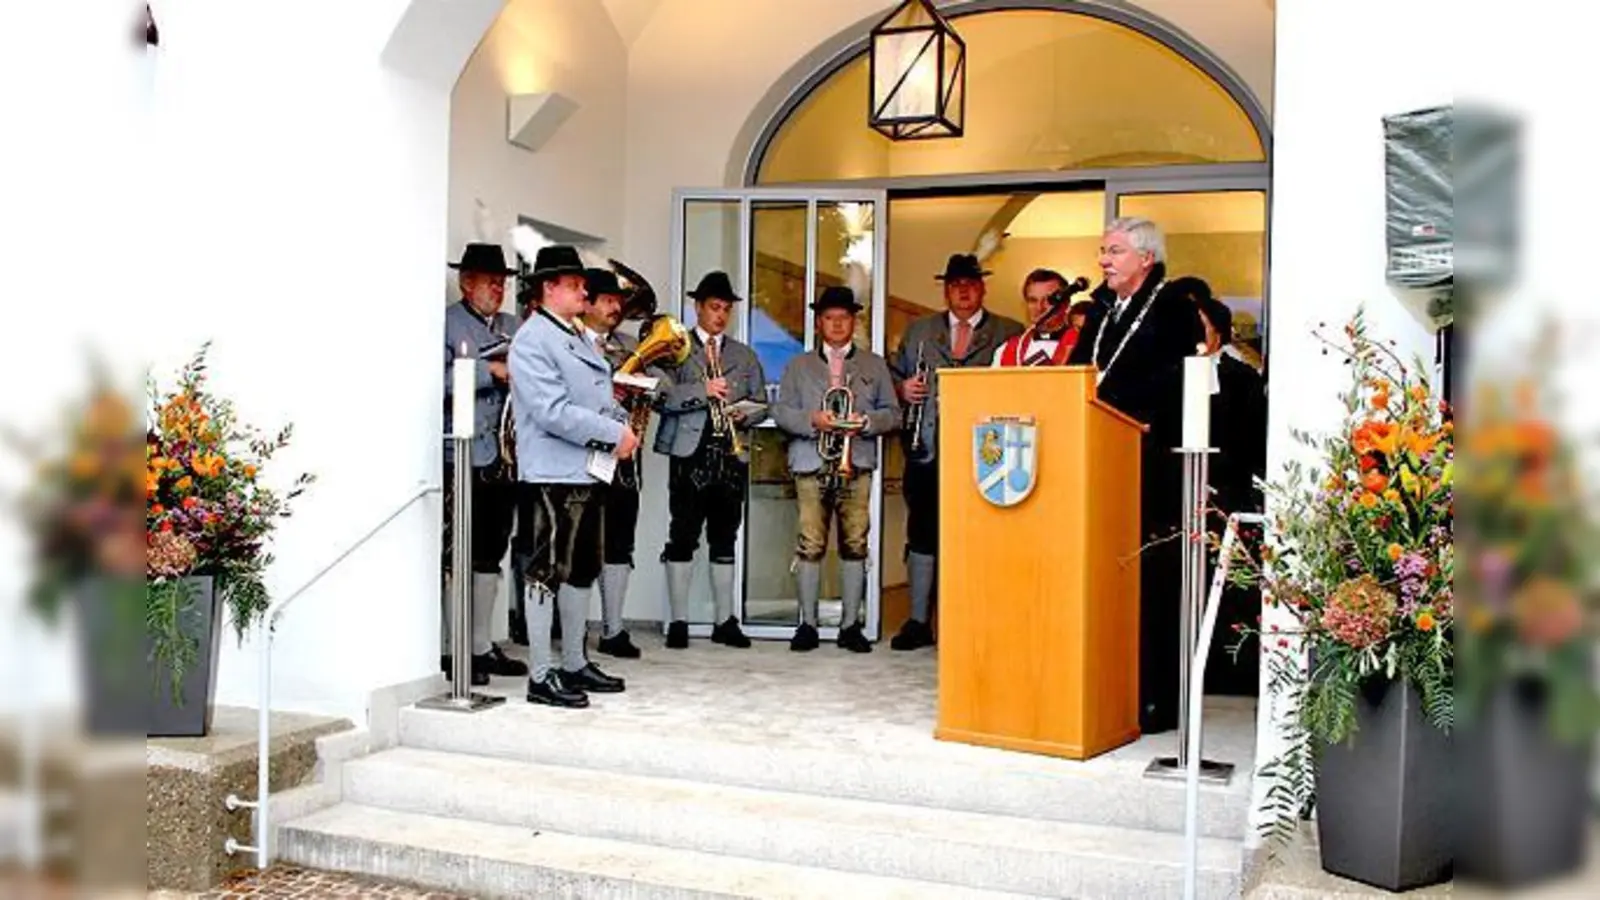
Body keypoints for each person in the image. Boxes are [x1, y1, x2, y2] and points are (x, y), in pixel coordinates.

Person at [1066, 216, 1205, 733]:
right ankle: (1111, 688)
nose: (1103, 261)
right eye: (1102, 250)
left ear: (1146, 258)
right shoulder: (1102, 308)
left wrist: (1116, 405)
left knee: (1155, 586)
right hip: (1102, 463)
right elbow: (1079, 374)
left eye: (1115, 252)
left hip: (1152, 460)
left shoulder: (1173, 308)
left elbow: (1174, 377)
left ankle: (1159, 697)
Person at [509, 244, 639, 708]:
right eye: (575, 283)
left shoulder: (575, 334)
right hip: (552, 472)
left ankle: (573, 662)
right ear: (549, 288)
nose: (585, 289)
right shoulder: (532, 339)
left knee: (581, 568)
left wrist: (621, 420)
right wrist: (613, 432)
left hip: (583, 470)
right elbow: (551, 411)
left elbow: (594, 395)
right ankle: (542, 673)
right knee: (545, 571)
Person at [888, 253, 1024, 650]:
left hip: (985, 454)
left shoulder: (1008, 332)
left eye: (969, 284)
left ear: (983, 288)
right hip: (926, 448)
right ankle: (917, 621)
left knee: (981, 537)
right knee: (923, 532)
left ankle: (975, 617)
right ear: (946, 291)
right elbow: (896, 377)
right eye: (955, 285)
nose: (963, 291)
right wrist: (901, 390)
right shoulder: (919, 331)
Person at [772, 286, 901, 653]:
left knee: (855, 541)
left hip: (855, 461)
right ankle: (807, 624)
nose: (837, 324)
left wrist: (866, 422)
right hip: (812, 460)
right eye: (830, 318)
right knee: (810, 541)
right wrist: (813, 419)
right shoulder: (798, 365)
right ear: (818, 323)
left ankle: (850, 626)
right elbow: (780, 411)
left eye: (844, 318)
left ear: (854, 321)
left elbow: (894, 414)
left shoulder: (874, 364)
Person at [654, 271, 768, 649]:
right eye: (714, 308)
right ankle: (679, 621)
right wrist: (702, 391)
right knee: (682, 534)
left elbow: (761, 402)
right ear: (698, 307)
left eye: (726, 309)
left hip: (730, 452)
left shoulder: (744, 354)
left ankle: (724, 620)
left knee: (725, 536)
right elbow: (661, 398)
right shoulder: (675, 347)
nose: (720, 316)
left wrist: (744, 414)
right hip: (690, 450)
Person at [441, 242, 528, 685]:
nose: (498, 288)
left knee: (492, 552)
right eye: (490, 280)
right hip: (464, 454)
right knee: (458, 552)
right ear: (466, 282)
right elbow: (432, 381)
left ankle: (480, 645)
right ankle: (452, 649)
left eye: (502, 281)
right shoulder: (446, 323)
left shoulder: (515, 325)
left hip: (505, 457)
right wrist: (488, 371)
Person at [578, 266, 649, 659]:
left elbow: (664, 384)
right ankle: (569, 630)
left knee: (620, 541)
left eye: (619, 302)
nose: (616, 308)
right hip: (584, 456)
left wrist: (639, 389)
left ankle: (614, 628)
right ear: (587, 303)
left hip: (623, 460)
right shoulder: (570, 343)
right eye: (607, 301)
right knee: (582, 542)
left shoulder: (627, 346)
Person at [992, 269, 1086, 367]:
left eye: (1049, 300)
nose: (1040, 308)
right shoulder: (1007, 350)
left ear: (1066, 304)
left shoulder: (1082, 343)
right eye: (1033, 300)